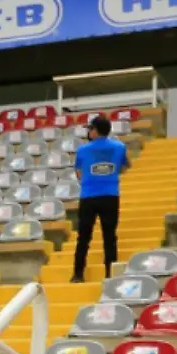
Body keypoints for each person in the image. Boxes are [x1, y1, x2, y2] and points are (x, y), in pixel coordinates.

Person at [72, 114, 130, 283]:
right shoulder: (120, 147)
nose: (89, 132)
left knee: (83, 237)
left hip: (89, 196)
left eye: (90, 128)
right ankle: (110, 273)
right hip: (110, 195)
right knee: (110, 236)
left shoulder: (83, 150)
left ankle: (78, 273)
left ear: (95, 130)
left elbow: (78, 173)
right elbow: (125, 166)